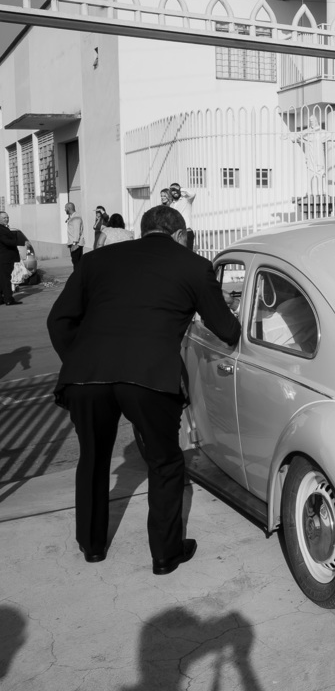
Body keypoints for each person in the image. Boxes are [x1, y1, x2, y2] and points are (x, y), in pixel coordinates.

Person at [47, 205, 240, 573]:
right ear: (180, 235)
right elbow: (227, 330)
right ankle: (165, 555)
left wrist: (79, 359)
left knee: (92, 458)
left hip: (86, 376)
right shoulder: (193, 265)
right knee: (164, 462)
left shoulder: (97, 260)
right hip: (150, 377)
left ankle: (92, 546)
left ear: (143, 230)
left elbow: (58, 320)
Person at [1, 211, 36, 306]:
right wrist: (22, 243)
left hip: (6, 258)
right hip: (4, 259)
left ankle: (2, 299)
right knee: (5, 280)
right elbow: (7, 241)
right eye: (4, 218)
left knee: (2, 279)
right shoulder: (1, 229)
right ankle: (8, 299)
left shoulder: (5, 228)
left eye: (7, 217)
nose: (7, 219)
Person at [168, 183, 196, 250]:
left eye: (176, 189)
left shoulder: (186, 200)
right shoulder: (171, 205)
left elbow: (193, 193)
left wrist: (180, 188)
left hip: (186, 232)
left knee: (188, 255)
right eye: (173, 190)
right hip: (176, 233)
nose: (175, 192)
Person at [65, 203, 85, 268]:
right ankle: (78, 276)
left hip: (76, 244)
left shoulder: (76, 218)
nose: (65, 210)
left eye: (66, 208)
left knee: (76, 263)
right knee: (76, 262)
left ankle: (78, 277)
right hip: (75, 243)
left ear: (69, 208)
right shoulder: (73, 217)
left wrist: (74, 244)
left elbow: (77, 231)